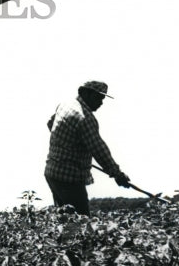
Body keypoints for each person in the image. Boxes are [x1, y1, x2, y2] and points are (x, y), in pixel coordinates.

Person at [44, 80, 130, 215]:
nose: (101, 103)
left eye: (103, 99)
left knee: (64, 218)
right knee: (81, 222)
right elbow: (99, 149)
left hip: (52, 173)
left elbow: (50, 124)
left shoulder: (65, 105)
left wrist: (68, 144)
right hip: (69, 179)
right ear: (84, 93)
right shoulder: (85, 118)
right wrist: (117, 174)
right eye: (98, 97)